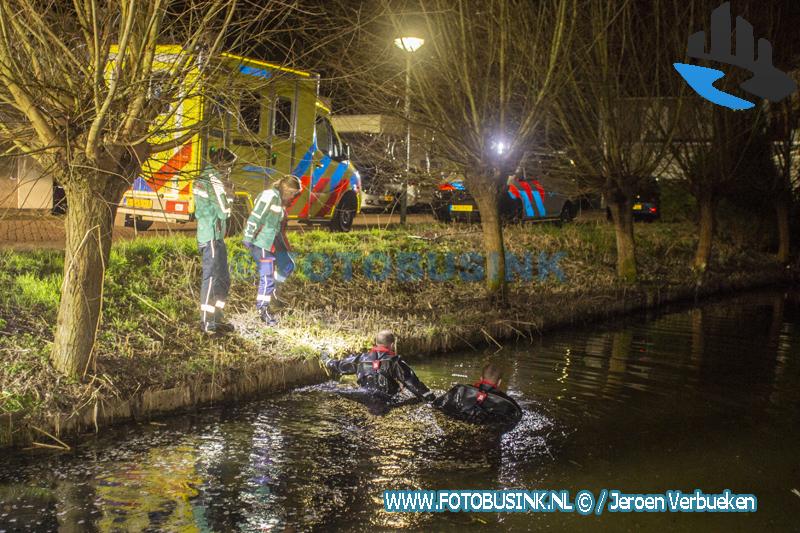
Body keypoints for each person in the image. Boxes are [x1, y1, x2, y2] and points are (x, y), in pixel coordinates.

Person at [242, 175, 302, 325]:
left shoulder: (281, 200)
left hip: (273, 241)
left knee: (288, 265)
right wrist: (248, 237)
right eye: (293, 194)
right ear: (287, 189)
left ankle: (273, 291)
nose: (293, 198)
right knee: (267, 276)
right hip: (261, 242)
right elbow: (255, 217)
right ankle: (263, 309)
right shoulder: (269, 196)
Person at [323, 330, 436, 402]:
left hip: (364, 397)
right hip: (387, 400)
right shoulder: (395, 361)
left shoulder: (361, 359)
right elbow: (413, 384)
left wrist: (326, 359)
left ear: (376, 343)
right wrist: (432, 398)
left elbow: (339, 365)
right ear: (392, 344)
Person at [194, 147, 237, 334]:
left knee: (223, 279)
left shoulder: (205, 177)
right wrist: (230, 196)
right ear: (223, 164)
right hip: (211, 235)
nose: (230, 170)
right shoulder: (213, 179)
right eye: (230, 166)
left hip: (213, 235)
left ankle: (217, 318)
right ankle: (207, 322)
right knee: (212, 279)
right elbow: (224, 212)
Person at [433, 363, 523, 427]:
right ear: (499, 382)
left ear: (480, 378)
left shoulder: (460, 390)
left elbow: (436, 405)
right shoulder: (510, 405)